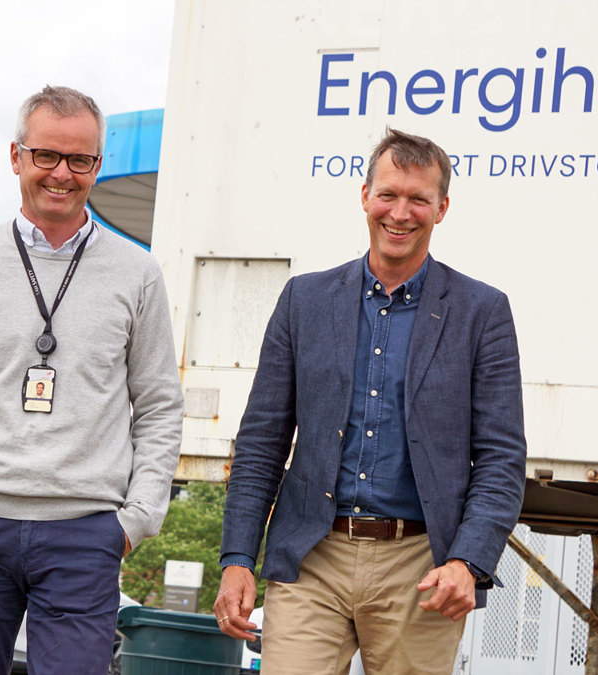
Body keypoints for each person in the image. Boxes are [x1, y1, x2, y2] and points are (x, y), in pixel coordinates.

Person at [0, 85, 184, 674]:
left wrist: (135, 519)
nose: (62, 174)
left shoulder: (138, 274)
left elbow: (159, 405)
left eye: (80, 160)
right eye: (46, 155)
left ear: (97, 165)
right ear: (16, 156)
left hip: (86, 532)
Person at [214, 129, 526, 674]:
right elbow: (262, 441)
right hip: (312, 556)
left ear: (441, 208)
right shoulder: (304, 300)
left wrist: (467, 561)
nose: (400, 213)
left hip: (421, 566)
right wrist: (237, 558)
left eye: (418, 199)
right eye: (388, 195)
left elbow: (501, 458)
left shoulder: (482, 312)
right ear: (364, 196)